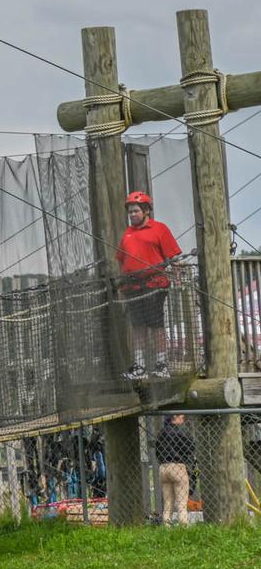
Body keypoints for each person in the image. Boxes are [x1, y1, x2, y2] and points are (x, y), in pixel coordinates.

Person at [117, 190, 182, 380]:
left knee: (155, 324)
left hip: (155, 284)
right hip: (132, 287)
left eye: (135, 211)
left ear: (146, 211)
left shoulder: (159, 229)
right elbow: (121, 260)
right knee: (137, 326)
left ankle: (161, 364)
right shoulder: (128, 233)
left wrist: (177, 277)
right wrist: (122, 280)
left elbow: (173, 257)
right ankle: (139, 366)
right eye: (130, 212)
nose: (132, 215)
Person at [153, 412, 194, 524]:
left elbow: (157, 451)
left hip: (163, 468)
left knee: (168, 503)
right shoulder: (181, 431)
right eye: (181, 416)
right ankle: (183, 526)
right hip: (178, 466)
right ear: (174, 417)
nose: (183, 418)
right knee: (181, 504)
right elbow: (191, 446)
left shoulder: (161, 432)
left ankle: (167, 526)